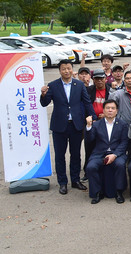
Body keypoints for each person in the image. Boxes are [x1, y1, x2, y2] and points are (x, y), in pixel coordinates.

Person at [40, 60, 95, 195]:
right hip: (59, 126)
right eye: (63, 69)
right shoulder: (53, 85)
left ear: (72, 69)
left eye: (68, 68)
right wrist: (43, 94)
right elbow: (45, 103)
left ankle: (75, 180)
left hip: (76, 125)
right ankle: (62, 183)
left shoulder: (79, 84)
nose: (66, 71)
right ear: (59, 71)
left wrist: (92, 116)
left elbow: (87, 102)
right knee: (60, 155)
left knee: (75, 154)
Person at [84, 99, 129, 204]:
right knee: (91, 167)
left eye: (113, 108)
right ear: (103, 110)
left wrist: (115, 154)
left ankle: (119, 192)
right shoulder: (96, 125)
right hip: (99, 153)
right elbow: (89, 140)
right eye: (107, 108)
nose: (110, 110)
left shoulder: (122, 124)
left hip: (117, 153)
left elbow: (124, 142)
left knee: (120, 164)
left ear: (117, 111)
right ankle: (97, 192)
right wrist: (89, 126)